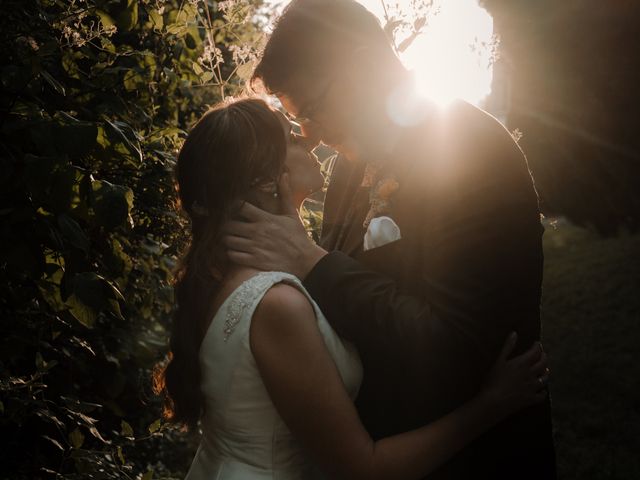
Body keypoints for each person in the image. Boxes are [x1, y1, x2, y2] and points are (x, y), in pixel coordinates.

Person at [222, 0, 557, 478]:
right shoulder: (345, 169)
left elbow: (455, 348)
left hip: (477, 460)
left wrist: (314, 264)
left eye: (313, 109)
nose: (311, 134)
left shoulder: (470, 150)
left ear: (361, 66)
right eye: (299, 119)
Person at [154, 98, 549, 480]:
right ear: (265, 179)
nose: (308, 138)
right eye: (291, 137)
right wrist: (489, 407)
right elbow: (364, 469)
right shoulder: (277, 304)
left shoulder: (222, 274)